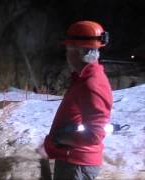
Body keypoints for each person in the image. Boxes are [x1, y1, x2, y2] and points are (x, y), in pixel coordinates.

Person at [40, 21, 113, 180]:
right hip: (72, 159)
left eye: (68, 49)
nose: (66, 54)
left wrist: (59, 138)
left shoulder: (91, 84)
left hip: (76, 164)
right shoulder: (84, 78)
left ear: (79, 52)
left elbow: (95, 135)